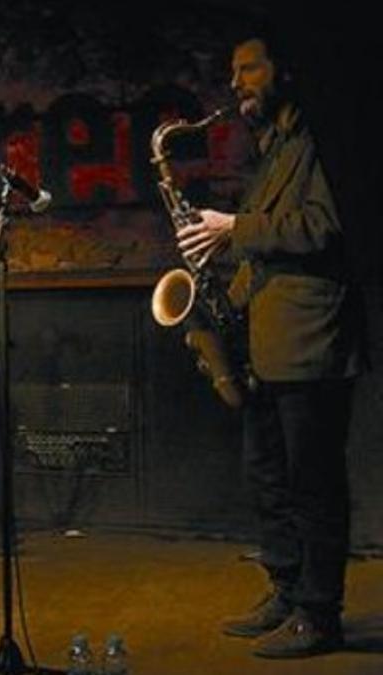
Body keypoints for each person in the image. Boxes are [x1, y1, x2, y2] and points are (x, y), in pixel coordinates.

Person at [178, 37, 364, 658]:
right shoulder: (273, 147)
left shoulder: (321, 141)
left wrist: (236, 229)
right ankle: (286, 590)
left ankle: (319, 612)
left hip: (311, 343)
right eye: (231, 71)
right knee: (269, 480)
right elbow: (266, 248)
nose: (236, 83)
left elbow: (328, 227)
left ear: (285, 69)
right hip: (263, 341)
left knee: (313, 484)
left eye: (248, 68)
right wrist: (221, 289)